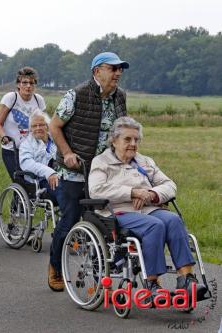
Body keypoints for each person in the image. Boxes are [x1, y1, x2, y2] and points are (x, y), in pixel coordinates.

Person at [88, 116, 207, 301]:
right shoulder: (101, 161)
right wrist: (133, 192)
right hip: (117, 212)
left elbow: (169, 185)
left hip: (148, 208)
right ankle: (152, 285)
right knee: (155, 226)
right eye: (127, 139)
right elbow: (96, 190)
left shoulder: (145, 161)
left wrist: (151, 194)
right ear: (114, 140)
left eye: (136, 139)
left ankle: (186, 280)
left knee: (174, 220)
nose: (133, 144)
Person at [48, 52, 129, 292]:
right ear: (96, 71)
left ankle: (99, 270)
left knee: (104, 221)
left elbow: (121, 130)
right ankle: (55, 266)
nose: (117, 73)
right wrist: (68, 153)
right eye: (112, 69)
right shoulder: (76, 95)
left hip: (104, 170)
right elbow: (54, 126)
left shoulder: (120, 97)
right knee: (71, 217)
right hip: (74, 170)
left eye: (120, 69)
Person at [0, 66, 46, 181]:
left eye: (32, 83)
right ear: (18, 84)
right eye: (25, 82)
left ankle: (23, 199)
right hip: (12, 150)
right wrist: (4, 137)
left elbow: (43, 124)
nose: (28, 86)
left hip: (32, 150)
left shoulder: (39, 100)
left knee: (33, 183)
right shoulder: (11, 98)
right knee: (19, 181)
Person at [19, 109, 58, 202]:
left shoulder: (55, 141)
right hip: (40, 182)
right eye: (34, 126)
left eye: (41, 125)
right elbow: (27, 164)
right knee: (65, 192)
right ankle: (68, 216)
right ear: (31, 129)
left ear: (47, 126)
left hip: (60, 177)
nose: (37, 128)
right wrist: (48, 172)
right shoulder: (26, 145)